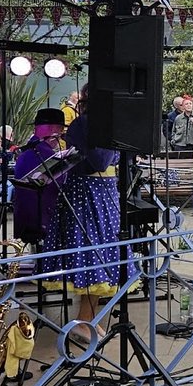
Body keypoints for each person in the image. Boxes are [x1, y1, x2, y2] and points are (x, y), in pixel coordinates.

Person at [55, 86, 127, 333]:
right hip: (89, 193)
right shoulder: (85, 123)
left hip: (102, 191)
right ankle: (82, 322)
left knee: (102, 256)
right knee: (92, 255)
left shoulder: (97, 123)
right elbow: (99, 161)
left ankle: (89, 320)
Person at [13, 108, 67, 249]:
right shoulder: (46, 155)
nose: (60, 137)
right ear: (53, 131)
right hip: (41, 220)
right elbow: (59, 186)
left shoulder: (25, 152)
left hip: (24, 218)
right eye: (60, 131)